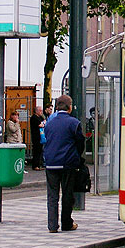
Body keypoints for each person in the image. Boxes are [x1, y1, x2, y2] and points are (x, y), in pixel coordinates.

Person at [43, 95, 85, 233]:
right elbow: (80, 143)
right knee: (67, 194)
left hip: (50, 162)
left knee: (52, 195)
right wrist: (76, 157)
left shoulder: (49, 123)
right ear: (69, 107)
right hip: (67, 163)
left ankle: (52, 226)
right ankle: (66, 223)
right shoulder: (74, 123)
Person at [29, 105, 45, 171]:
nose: (41, 112)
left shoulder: (40, 117)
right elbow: (41, 125)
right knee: (36, 151)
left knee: (40, 151)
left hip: (41, 136)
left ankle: (39, 164)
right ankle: (35, 165)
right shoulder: (34, 118)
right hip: (36, 137)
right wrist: (43, 124)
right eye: (40, 111)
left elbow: (44, 121)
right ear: (37, 111)